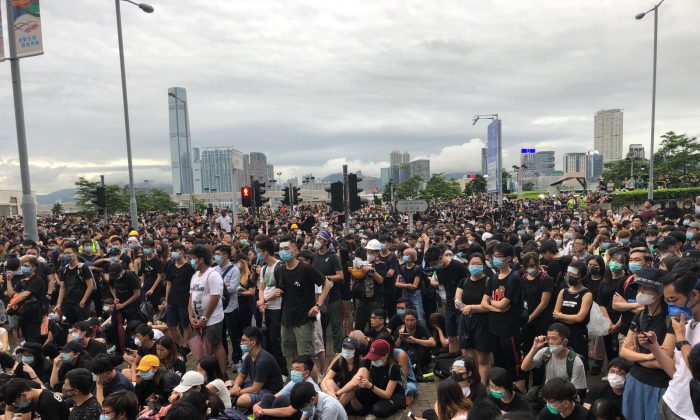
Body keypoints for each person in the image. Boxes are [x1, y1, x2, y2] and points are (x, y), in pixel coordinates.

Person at [619, 267, 675, 420]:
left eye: (647, 289)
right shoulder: (640, 315)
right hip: (635, 379)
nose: (641, 292)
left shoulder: (671, 319)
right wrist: (649, 356)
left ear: (660, 292)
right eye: (640, 288)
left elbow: (665, 361)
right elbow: (623, 352)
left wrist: (635, 356)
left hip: (658, 386)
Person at [275, 237, 331, 363]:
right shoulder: (279, 270)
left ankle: (311, 382)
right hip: (286, 320)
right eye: (281, 249)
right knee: (290, 356)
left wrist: (318, 305)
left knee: (305, 359)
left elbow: (327, 284)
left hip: (304, 320)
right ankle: (295, 381)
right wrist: (276, 292)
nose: (283, 251)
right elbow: (281, 291)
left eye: (286, 248)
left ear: (295, 250)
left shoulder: (306, 269)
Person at [481, 242, 525, 390]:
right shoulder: (493, 278)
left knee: (513, 361)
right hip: (494, 327)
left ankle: (518, 390)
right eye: (494, 256)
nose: (496, 259)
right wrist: (497, 307)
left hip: (509, 328)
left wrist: (493, 304)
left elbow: (502, 304)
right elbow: (484, 303)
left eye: (499, 256)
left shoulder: (514, 278)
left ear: (508, 259)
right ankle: (500, 388)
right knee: (498, 361)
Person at [340, 339, 405, 418]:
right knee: (356, 390)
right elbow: (366, 382)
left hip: (393, 396)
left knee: (378, 410)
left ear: (386, 355)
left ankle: (394, 412)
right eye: (372, 357)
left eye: (376, 358)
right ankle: (337, 409)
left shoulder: (393, 368)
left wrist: (370, 386)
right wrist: (362, 382)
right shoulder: (369, 361)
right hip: (376, 390)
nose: (373, 360)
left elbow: (388, 394)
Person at [187, 245, 227, 374]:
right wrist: (190, 316)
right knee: (203, 347)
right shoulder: (195, 276)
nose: (191, 261)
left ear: (201, 259)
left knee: (215, 345)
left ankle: (222, 374)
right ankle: (207, 372)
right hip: (197, 319)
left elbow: (215, 297)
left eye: (192, 258)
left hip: (212, 319)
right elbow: (191, 297)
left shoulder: (213, 275)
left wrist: (205, 317)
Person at [521, 323, 588, 398]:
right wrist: (534, 348)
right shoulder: (546, 353)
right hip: (548, 395)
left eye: (554, 338)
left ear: (565, 341)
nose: (550, 342)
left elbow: (576, 391)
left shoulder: (575, 362)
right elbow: (524, 367)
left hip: (564, 398)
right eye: (548, 338)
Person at [455, 253, 491, 382]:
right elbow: (457, 302)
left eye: (479, 264)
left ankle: (482, 386)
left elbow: (487, 305)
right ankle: (472, 383)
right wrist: (465, 307)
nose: (475, 266)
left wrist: (471, 307)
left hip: (482, 322)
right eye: (473, 263)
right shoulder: (463, 281)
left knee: (482, 358)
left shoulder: (489, 281)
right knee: (468, 357)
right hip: (465, 322)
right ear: (468, 265)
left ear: (483, 265)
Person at [228, 326, 284, 409]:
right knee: (228, 383)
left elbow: (255, 389)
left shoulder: (263, 361)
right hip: (256, 386)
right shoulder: (249, 356)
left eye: (244, 340)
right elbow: (241, 376)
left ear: (253, 342)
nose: (241, 343)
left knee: (242, 400)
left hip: (269, 392)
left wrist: (235, 392)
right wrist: (235, 386)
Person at [553, 260, 593, 370]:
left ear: (583, 276)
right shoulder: (563, 292)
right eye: (569, 273)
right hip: (562, 333)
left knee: (577, 364)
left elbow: (580, 318)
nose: (570, 276)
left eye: (574, 274)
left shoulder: (586, 294)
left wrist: (561, 316)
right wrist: (569, 318)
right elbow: (555, 314)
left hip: (578, 334)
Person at [311, 231, 344, 354]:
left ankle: (337, 350)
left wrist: (326, 278)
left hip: (332, 296)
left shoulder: (333, 256)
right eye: (316, 238)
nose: (317, 241)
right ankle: (322, 350)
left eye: (319, 239)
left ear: (325, 242)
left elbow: (340, 275)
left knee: (335, 324)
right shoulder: (314, 256)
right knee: (321, 325)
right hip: (318, 297)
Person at [433, 246, 469, 353]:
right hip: (449, 305)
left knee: (461, 336)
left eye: (434, 263)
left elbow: (468, 282)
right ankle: (452, 359)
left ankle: (465, 362)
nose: (433, 266)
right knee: (451, 336)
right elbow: (443, 284)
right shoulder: (439, 269)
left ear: (440, 258)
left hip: (462, 303)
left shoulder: (458, 266)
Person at [164, 243, 195, 349]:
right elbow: (169, 284)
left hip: (184, 300)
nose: (174, 253)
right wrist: (166, 300)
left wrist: (190, 302)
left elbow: (192, 286)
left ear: (182, 252)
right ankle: (179, 344)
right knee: (171, 325)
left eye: (176, 250)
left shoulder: (190, 267)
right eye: (173, 250)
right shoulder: (170, 265)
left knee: (185, 324)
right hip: (172, 300)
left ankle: (187, 346)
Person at [55, 242, 95, 325]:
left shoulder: (83, 267)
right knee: (71, 325)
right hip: (69, 302)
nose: (66, 255)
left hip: (81, 303)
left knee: (83, 325)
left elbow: (90, 286)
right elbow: (62, 287)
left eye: (69, 253)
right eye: (65, 253)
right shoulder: (65, 269)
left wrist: (83, 301)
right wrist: (58, 304)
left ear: (76, 253)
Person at [1, 377, 70, 420]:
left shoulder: (46, 403)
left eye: (16, 403)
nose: (17, 405)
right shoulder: (37, 395)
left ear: (23, 395)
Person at [321, 337, 361, 409]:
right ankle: (335, 406)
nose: (346, 350)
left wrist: (336, 394)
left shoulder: (361, 362)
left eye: (350, 348)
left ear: (356, 350)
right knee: (329, 382)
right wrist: (329, 393)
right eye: (345, 347)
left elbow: (353, 383)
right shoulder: (341, 361)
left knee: (352, 389)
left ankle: (335, 408)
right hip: (341, 396)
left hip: (356, 400)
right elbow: (324, 381)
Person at [395, 308, 435, 375]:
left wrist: (416, 340)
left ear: (416, 320)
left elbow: (433, 343)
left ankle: (422, 366)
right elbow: (396, 346)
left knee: (424, 339)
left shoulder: (421, 327)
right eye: (407, 320)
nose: (409, 323)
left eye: (412, 320)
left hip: (421, 353)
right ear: (404, 320)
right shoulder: (400, 329)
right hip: (407, 352)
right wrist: (400, 337)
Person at [396, 247, 425, 322]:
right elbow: (397, 283)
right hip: (405, 293)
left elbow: (414, 286)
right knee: (403, 314)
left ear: (412, 256)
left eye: (407, 255)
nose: (405, 256)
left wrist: (404, 285)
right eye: (404, 254)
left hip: (415, 294)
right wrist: (407, 285)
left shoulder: (417, 268)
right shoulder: (402, 267)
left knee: (419, 316)